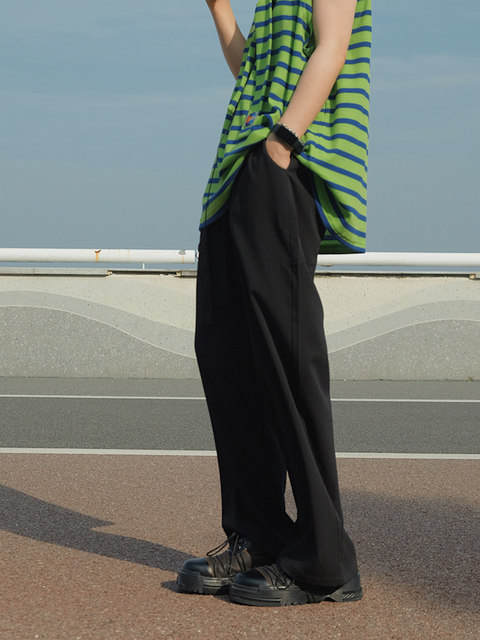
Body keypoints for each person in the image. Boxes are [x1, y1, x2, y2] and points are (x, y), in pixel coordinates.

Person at [176, 0, 372, 607]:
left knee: (288, 359)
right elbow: (253, 68)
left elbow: (332, 46)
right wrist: (220, 9)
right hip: (234, 172)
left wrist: (281, 144)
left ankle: (324, 560)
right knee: (226, 355)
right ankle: (258, 533)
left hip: (282, 161)